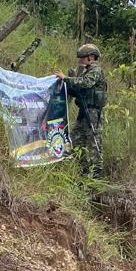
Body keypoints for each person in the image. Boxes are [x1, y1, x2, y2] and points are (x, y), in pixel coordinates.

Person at [56, 43, 107, 176]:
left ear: (91, 57)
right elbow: (78, 89)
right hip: (83, 111)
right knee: (76, 140)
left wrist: (66, 78)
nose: (80, 60)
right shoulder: (86, 72)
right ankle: (83, 170)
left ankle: (96, 174)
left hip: (93, 113)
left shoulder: (96, 71)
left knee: (94, 142)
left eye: (82, 58)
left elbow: (86, 83)